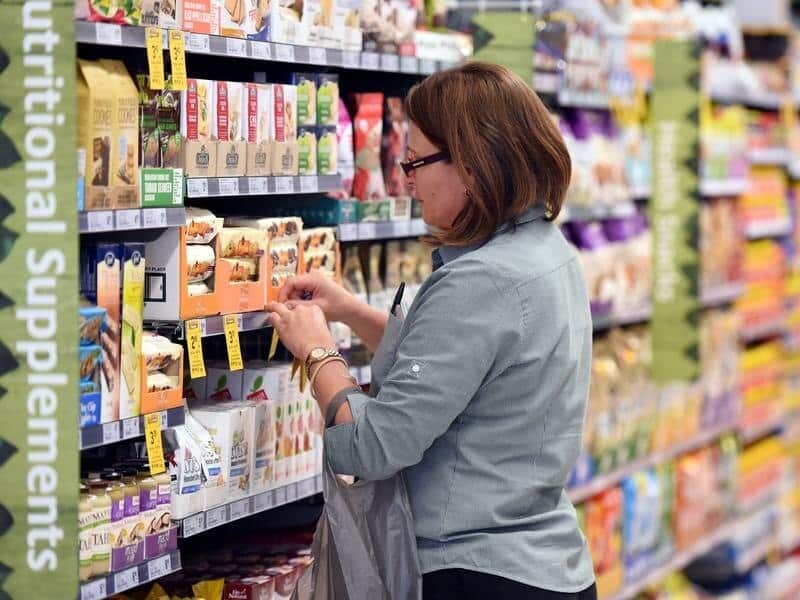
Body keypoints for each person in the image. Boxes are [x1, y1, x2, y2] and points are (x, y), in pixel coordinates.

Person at [267, 61, 597, 600]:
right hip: (549, 565)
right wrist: (350, 309)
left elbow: (372, 447)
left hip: (477, 576)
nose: (406, 178)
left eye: (417, 161)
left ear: (474, 163)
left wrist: (318, 353)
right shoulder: (546, 252)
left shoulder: (481, 280)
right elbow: (462, 366)